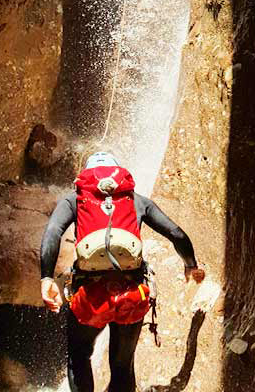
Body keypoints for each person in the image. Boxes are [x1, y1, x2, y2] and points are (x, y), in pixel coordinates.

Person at [40, 151, 204, 392]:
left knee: (79, 357)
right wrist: (190, 265)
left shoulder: (74, 200)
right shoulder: (136, 200)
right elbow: (176, 233)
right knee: (122, 365)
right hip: (131, 293)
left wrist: (46, 278)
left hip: (89, 295)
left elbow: (53, 231)